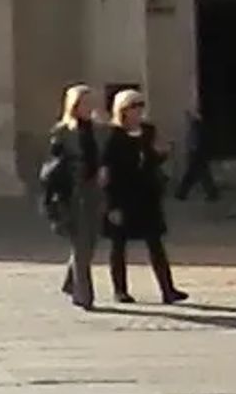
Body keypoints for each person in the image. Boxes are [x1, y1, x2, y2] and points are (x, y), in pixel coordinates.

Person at [102, 90, 189, 305]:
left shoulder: (148, 131)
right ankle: (120, 290)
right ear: (122, 109)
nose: (139, 110)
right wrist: (111, 204)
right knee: (118, 245)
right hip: (122, 194)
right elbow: (107, 170)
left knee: (156, 244)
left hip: (147, 195)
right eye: (134, 106)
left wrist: (162, 153)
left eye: (141, 105)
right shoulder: (112, 136)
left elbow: (152, 159)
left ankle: (168, 289)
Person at [44, 84, 105, 310]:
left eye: (91, 102)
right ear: (74, 105)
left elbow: (105, 154)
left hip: (95, 191)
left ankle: (71, 282)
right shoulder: (62, 132)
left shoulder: (99, 130)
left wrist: (104, 170)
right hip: (73, 192)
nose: (89, 107)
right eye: (84, 103)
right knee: (80, 244)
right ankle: (84, 295)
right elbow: (53, 167)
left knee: (90, 242)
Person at [174, 104, 219, 203]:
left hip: (197, 151)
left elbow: (196, 138)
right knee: (201, 173)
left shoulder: (199, 125)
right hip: (199, 151)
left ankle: (182, 193)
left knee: (193, 173)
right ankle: (212, 193)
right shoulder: (200, 124)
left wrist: (192, 148)